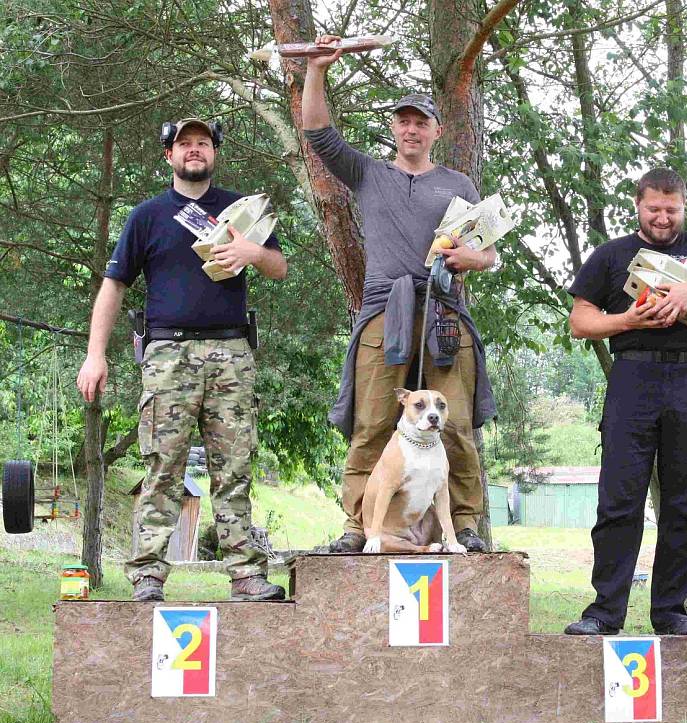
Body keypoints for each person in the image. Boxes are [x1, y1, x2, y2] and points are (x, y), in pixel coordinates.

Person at [76, 117, 288, 601]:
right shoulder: (147, 216)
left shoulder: (242, 211)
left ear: (215, 153)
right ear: (168, 155)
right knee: (162, 466)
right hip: (168, 353)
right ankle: (148, 574)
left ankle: (245, 574)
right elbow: (114, 286)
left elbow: (279, 268)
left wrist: (252, 251)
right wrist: (95, 355)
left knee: (233, 467)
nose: (195, 151)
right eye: (184, 144)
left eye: (203, 144)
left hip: (232, 353)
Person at [301, 35, 497, 554]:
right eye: (403, 121)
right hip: (384, 310)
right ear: (394, 127)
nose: (411, 129)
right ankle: (356, 528)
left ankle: (466, 526)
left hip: (444, 316)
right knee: (371, 422)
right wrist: (318, 69)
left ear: (437, 130)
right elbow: (317, 133)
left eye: (421, 122)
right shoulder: (369, 173)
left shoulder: (458, 184)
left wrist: (468, 259)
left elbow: (488, 253)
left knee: (452, 425)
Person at [564, 167, 687, 635]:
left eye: (671, 209)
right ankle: (604, 612)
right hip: (633, 377)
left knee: (686, 502)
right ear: (638, 205)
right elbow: (580, 321)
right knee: (619, 500)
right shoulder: (612, 254)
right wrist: (628, 321)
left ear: (684, 207)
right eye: (653, 208)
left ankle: (671, 612)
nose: (662, 217)